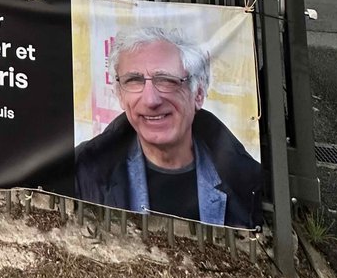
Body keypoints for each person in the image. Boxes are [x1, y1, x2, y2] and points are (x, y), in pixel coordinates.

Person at [74, 27, 263, 228]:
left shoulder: (247, 183)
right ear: (120, 95)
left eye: (166, 81)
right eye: (133, 81)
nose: (150, 100)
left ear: (198, 94)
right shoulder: (85, 171)